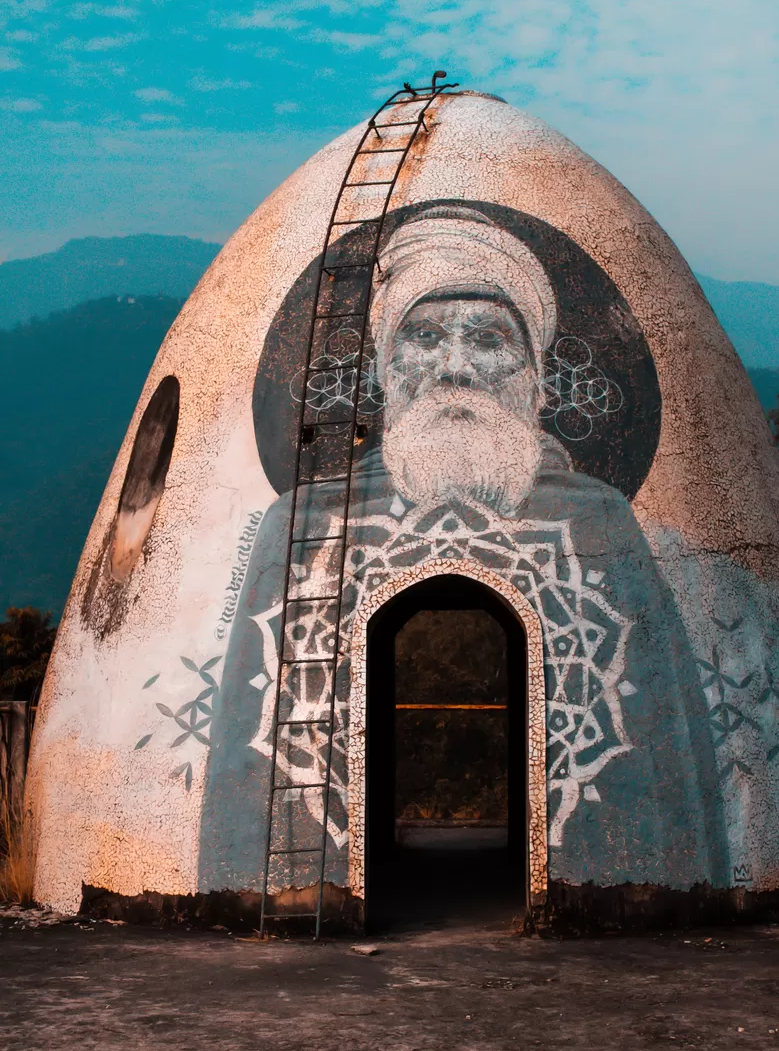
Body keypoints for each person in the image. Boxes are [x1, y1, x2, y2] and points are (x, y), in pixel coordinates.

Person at [200, 209, 726, 895]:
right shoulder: (302, 520)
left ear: (537, 376)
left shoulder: (599, 521)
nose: (453, 367)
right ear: (385, 369)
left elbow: (657, 772)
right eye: (422, 336)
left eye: (488, 339)